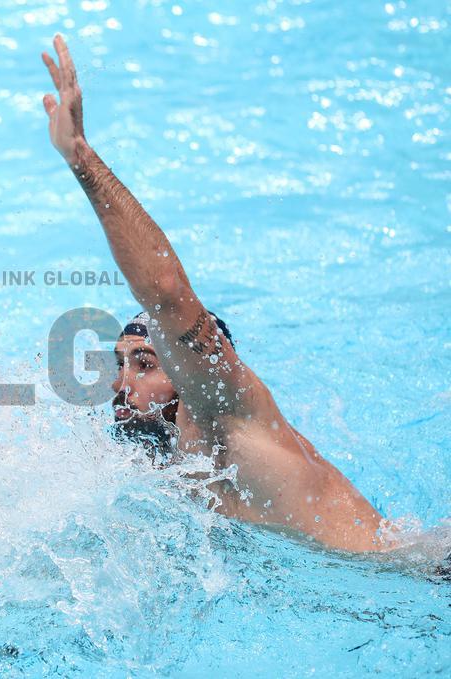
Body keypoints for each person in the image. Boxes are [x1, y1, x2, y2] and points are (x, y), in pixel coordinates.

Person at [40, 35, 388, 553]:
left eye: (145, 363)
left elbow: (167, 293)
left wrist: (81, 159)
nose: (120, 384)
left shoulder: (222, 414)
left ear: (189, 374)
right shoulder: (178, 461)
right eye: (121, 364)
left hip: (422, 580)